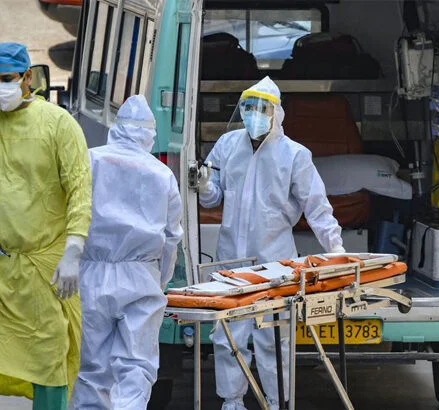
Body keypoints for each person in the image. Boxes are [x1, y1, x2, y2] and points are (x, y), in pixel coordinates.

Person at [199, 76, 345, 410]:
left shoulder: (294, 155)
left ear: (276, 113)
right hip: (231, 263)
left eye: (262, 108)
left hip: (274, 263)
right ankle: (232, 402)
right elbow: (213, 198)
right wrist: (205, 185)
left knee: (273, 338)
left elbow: (316, 207)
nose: (254, 114)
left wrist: (336, 250)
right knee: (228, 335)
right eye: (248, 107)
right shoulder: (228, 144)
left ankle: (278, 403)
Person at [72, 95, 183, 410]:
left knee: (90, 368)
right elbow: (172, 236)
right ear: (149, 135)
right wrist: (160, 280)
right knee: (136, 367)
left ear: (116, 128)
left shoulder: (89, 160)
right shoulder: (162, 174)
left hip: (91, 274)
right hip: (140, 277)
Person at [0, 43, 91, 409]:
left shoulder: (57, 124)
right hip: (3, 265)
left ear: (27, 78)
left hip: (43, 269)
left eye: (6, 79)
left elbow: (79, 189)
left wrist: (73, 250)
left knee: (50, 355)